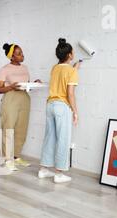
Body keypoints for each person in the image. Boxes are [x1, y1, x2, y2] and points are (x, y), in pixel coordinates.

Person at [38, 38, 81, 183]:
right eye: (72, 52)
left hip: (50, 105)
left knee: (49, 137)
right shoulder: (72, 71)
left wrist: (74, 68)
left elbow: (62, 71)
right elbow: (70, 93)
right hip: (62, 106)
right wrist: (75, 111)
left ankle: (43, 170)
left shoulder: (54, 68)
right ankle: (59, 173)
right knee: (63, 138)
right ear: (69, 55)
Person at [0, 43, 41, 172]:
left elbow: (26, 86)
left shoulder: (25, 68)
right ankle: (8, 160)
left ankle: (16, 157)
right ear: (12, 56)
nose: (22, 55)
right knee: (8, 129)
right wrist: (11, 87)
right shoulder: (4, 69)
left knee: (22, 129)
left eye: (22, 52)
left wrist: (34, 84)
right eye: (19, 53)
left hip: (24, 99)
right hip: (10, 100)